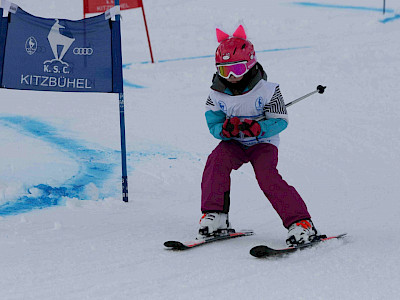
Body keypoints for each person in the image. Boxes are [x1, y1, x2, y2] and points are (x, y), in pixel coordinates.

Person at [198, 25, 321, 246]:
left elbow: (280, 121)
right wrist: (226, 130)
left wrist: (258, 129)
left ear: (251, 63)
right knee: (215, 163)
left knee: (267, 176)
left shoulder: (268, 90)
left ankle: (301, 223)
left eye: (237, 68)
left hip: (262, 143)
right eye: (225, 71)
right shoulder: (215, 94)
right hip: (234, 142)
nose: (232, 76)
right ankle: (216, 216)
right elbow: (213, 122)